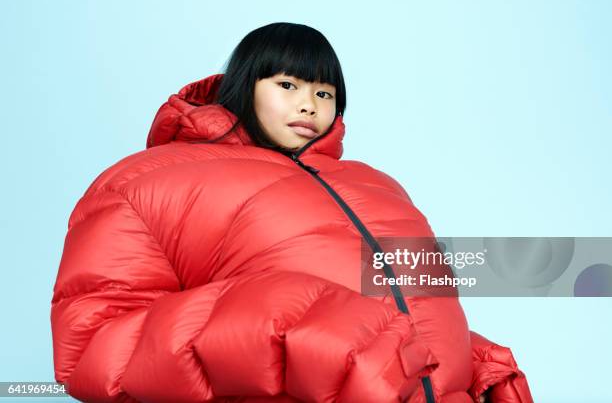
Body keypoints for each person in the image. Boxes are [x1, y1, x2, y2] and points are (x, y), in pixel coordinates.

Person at [51, 22, 533, 402]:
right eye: (288, 84)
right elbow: (93, 345)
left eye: (324, 93)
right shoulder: (148, 183)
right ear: (243, 85)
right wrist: (275, 322)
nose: (309, 105)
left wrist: (471, 362)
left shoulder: (379, 186)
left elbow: (408, 303)